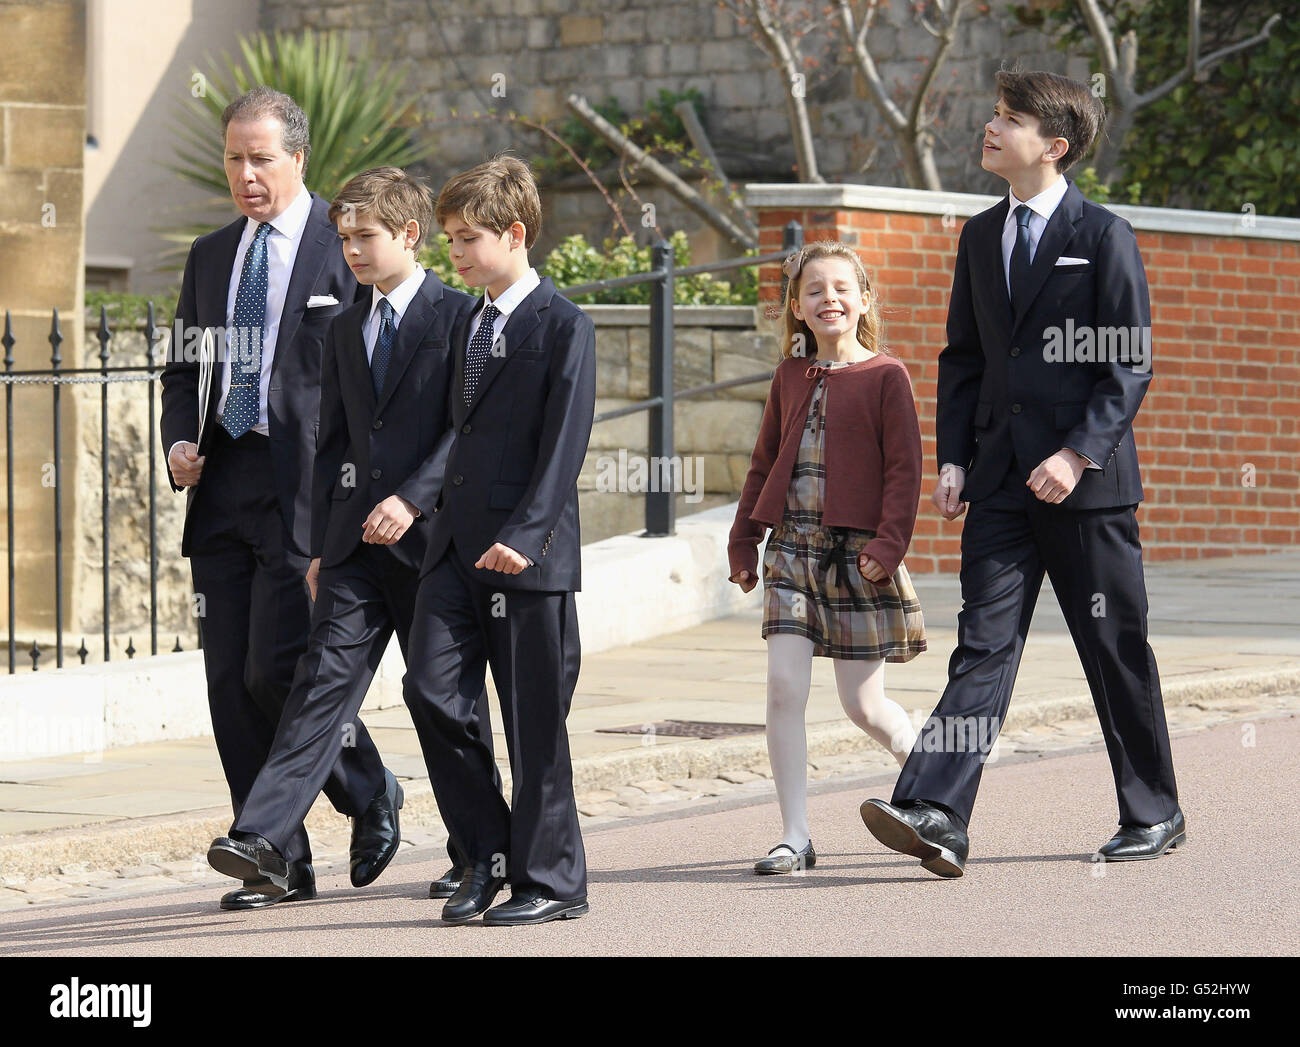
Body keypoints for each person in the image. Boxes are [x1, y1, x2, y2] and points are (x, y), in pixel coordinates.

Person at [859, 70, 1184, 878]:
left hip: (1088, 489)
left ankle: (1154, 810)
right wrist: (957, 460)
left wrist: (1077, 454)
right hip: (1000, 485)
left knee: (1114, 649)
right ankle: (936, 808)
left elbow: (1129, 363)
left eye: (1011, 119)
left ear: (1056, 145)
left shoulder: (1104, 236)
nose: (992, 127)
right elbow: (965, 358)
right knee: (983, 645)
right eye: (995, 113)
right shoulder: (978, 237)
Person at [205, 166, 496, 903]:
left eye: (365, 237)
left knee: (444, 700)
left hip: (433, 549)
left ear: (408, 233)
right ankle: (264, 834)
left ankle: (479, 848)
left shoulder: (461, 317)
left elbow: (472, 431)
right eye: (345, 238)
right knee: (314, 688)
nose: (353, 251)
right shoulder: (342, 327)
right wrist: (314, 546)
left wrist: (415, 496)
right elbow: (329, 442)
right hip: (348, 552)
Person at [160, 87, 397, 909]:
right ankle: (279, 861)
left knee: (279, 668)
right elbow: (185, 367)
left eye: (261, 158)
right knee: (229, 681)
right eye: (234, 158)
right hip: (225, 482)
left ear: (298, 158)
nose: (246, 174)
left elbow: (377, 378)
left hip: (309, 489)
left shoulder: (347, 248)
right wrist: (179, 440)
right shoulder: (210, 253)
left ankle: (368, 789)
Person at [401, 155, 596, 926]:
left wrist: (528, 533)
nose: (454, 254)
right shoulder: (466, 322)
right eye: (448, 239)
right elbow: (457, 431)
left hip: (527, 558)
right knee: (428, 688)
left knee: (534, 725)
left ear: (515, 234)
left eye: (468, 238)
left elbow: (564, 445)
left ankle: (553, 879)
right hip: (453, 550)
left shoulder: (563, 325)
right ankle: (486, 851)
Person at [728, 241, 926, 874]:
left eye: (841, 287)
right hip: (791, 550)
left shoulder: (887, 375)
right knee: (785, 687)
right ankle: (794, 834)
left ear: (863, 299)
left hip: (858, 555)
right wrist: (743, 541)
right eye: (814, 290)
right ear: (797, 307)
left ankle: (936, 783)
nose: (828, 298)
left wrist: (888, 544)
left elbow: (905, 469)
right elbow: (763, 463)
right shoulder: (790, 376)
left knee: (863, 707)